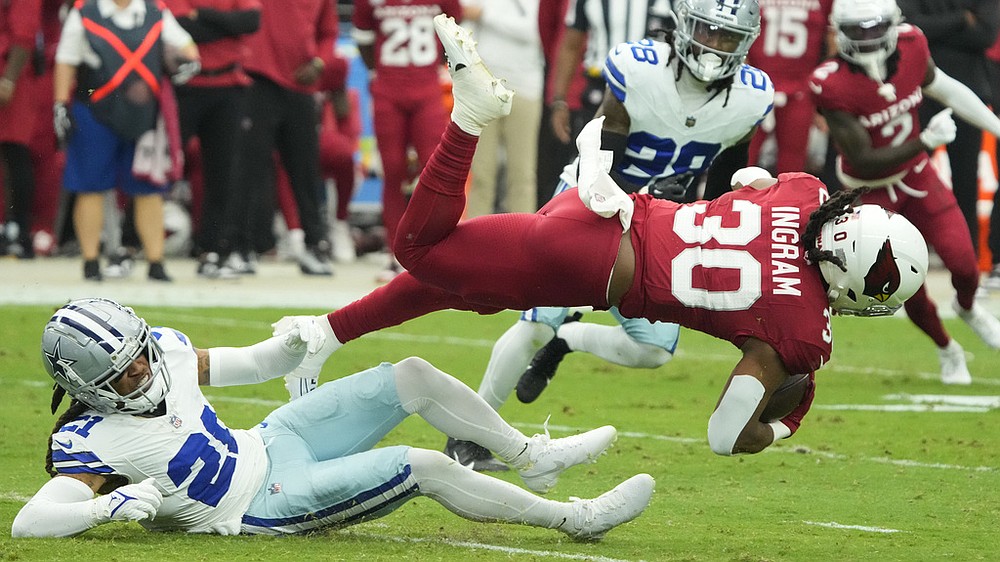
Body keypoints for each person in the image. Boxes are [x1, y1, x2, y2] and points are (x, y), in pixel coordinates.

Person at [277, 15, 930, 461]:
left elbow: (751, 195)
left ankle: (326, 334)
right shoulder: (799, 330)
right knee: (422, 252)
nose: (716, 44)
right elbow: (727, 434)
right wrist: (782, 425)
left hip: (621, 223)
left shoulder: (804, 191)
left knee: (460, 283)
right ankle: (470, 117)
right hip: (595, 237)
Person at [11, 297, 654, 539]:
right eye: (125, 373)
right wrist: (99, 510)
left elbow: (255, 364)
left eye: (142, 354)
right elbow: (29, 521)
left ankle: (529, 458)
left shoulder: (169, 352)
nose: (145, 372)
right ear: (88, 388)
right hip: (259, 503)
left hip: (268, 439)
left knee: (412, 373)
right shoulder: (89, 441)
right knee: (422, 464)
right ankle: (575, 519)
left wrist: (289, 342)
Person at [449, 0, 774, 470]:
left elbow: (723, 179)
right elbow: (601, 159)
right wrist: (647, 196)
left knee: (652, 351)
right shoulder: (639, 69)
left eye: (728, 37)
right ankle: (467, 436)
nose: (715, 47)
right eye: (708, 32)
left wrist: (704, 221)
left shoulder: (751, 96)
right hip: (589, 199)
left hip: (662, 225)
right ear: (684, 28)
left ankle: (571, 340)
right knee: (536, 324)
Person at [810, 0, 1000, 385]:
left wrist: (997, 127)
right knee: (901, 284)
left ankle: (967, 307)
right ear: (840, 32)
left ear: (894, 25)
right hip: (869, 193)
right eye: (857, 30)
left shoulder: (913, 44)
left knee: (964, 262)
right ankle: (947, 348)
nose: (868, 38)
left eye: (875, 27)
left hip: (917, 178)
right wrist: (925, 142)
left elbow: (946, 88)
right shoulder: (830, 82)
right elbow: (864, 158)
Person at [53, 0, 200, 282]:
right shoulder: (85, 11)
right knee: (90, 186)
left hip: (142, 113)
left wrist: (188, 61)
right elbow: (66, 59)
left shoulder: (154, 10)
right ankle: (91, 260)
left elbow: (186, 44)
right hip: (95, 109)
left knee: (149, 189)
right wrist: (60, 103)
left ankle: (156, 261)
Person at [351, 0, 463, 282]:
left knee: (435, 168)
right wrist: (383, 73)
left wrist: (434, 69)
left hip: (426, 91)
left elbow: (454, 31)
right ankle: (394, 253)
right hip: (389, 90)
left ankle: (439, 247)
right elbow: (363, 40)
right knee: (392, 170)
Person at [227, 0, 339, 277]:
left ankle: (314, 246)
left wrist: (320, 61)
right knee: (247, 168)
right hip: (258, 79)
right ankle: (237, 247)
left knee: (306, 169)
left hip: (301, 83)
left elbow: (328, 32)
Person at [164, 0, 262, 279]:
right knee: (160, 166)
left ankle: (213, 250)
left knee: (224, 174)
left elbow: (251, 21)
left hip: (228, 86)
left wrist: (204, 15)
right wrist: (227, 24)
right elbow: (179, 28)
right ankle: (136, 244)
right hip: (185, 85)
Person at [898, 0, 1000, 256]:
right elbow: (907, 29)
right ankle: (900, 249)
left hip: (968, 86)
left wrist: (931, 34)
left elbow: (985, 36)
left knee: (966, 178)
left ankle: (968, 256)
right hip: (918, 89)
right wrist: (962, 19)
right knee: (906, 172)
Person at [461, 0, 544, 217]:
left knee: (522, 175)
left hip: (525, 88)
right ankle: (474, 242)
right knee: (480, 175)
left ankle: (524, 244)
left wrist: (484, 15)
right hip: (482, 87)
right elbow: (460, 19)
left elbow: (535, 30)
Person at [746, 0, 833, 174]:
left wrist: (823, 95)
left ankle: (788, 201)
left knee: (792, 165)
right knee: (741, 157)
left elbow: (833, 40)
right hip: (755, 85)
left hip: (801, 89)